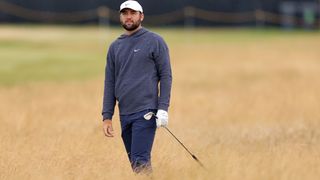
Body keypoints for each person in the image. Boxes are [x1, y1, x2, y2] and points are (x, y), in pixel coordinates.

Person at [101, 0, 172, 174]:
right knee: (136, 165)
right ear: (120, 17)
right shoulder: (115, 47)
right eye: (125, 13)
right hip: (124, 113)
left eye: (133, 13)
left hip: (146, 112)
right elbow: (110, 82)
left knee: (140, 162)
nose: (129, 17)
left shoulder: (155, 41)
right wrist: (107, 115)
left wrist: (163, 108)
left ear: (141, 16)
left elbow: (166, 76)